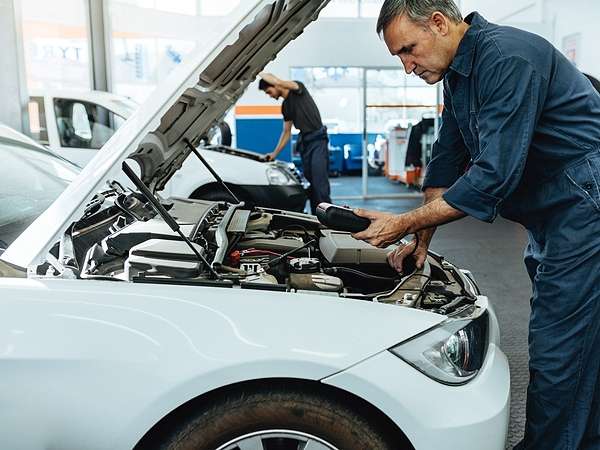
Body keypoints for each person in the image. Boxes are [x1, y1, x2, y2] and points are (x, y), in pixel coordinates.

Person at [351, 1, 600, 449]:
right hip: (553, 211)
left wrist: (400, 221)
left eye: (408, 49)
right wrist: (418, 239)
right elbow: (447, 161)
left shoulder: (507, 58)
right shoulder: (461, 75)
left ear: (440, 24)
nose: (407, 66)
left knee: (557, 343)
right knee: (583, 337)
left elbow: (492, 176)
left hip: (584, 204)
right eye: (399, 57)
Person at [258, 72, 331, 213]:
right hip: (305, 142)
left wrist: (257, 71)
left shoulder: (298, 89)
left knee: (319, 183)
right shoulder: (285, 106)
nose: (270, 96)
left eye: (269, 92)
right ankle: (317, 216)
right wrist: (274, 154)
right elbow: (286, 132)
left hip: (318, 141)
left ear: (275, 86)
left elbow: (278, 80)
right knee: (310, 184)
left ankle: (329, 217)